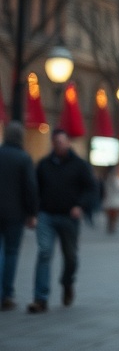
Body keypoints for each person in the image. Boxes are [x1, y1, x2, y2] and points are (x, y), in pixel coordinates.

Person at [28, 128, 96, 313]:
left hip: (69, 217)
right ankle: (40, 299)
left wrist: (80, 206)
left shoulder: (80, 165)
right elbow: (35, 190)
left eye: (62, 142)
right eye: (56, 142)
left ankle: (67, 283)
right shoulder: (43, 165)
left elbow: (91, 189)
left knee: (71, 257)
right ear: (52, 143)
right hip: (46, 216)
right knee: (44, 253)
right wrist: (33, 213)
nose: (59, 145)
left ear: (67, 143)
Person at [0, 122, 39, 311]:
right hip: (15, 214)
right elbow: (30, 188)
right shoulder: (24, 158)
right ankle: (7, 293)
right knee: (11, 252)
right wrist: (32, 213)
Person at [101, 167, 119, 234]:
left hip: (115, 200)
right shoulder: (114, 179)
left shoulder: (118, 179)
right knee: (112, 215)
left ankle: (112, 226)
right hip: (113, 200)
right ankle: (111, 226)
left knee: (114, 215)